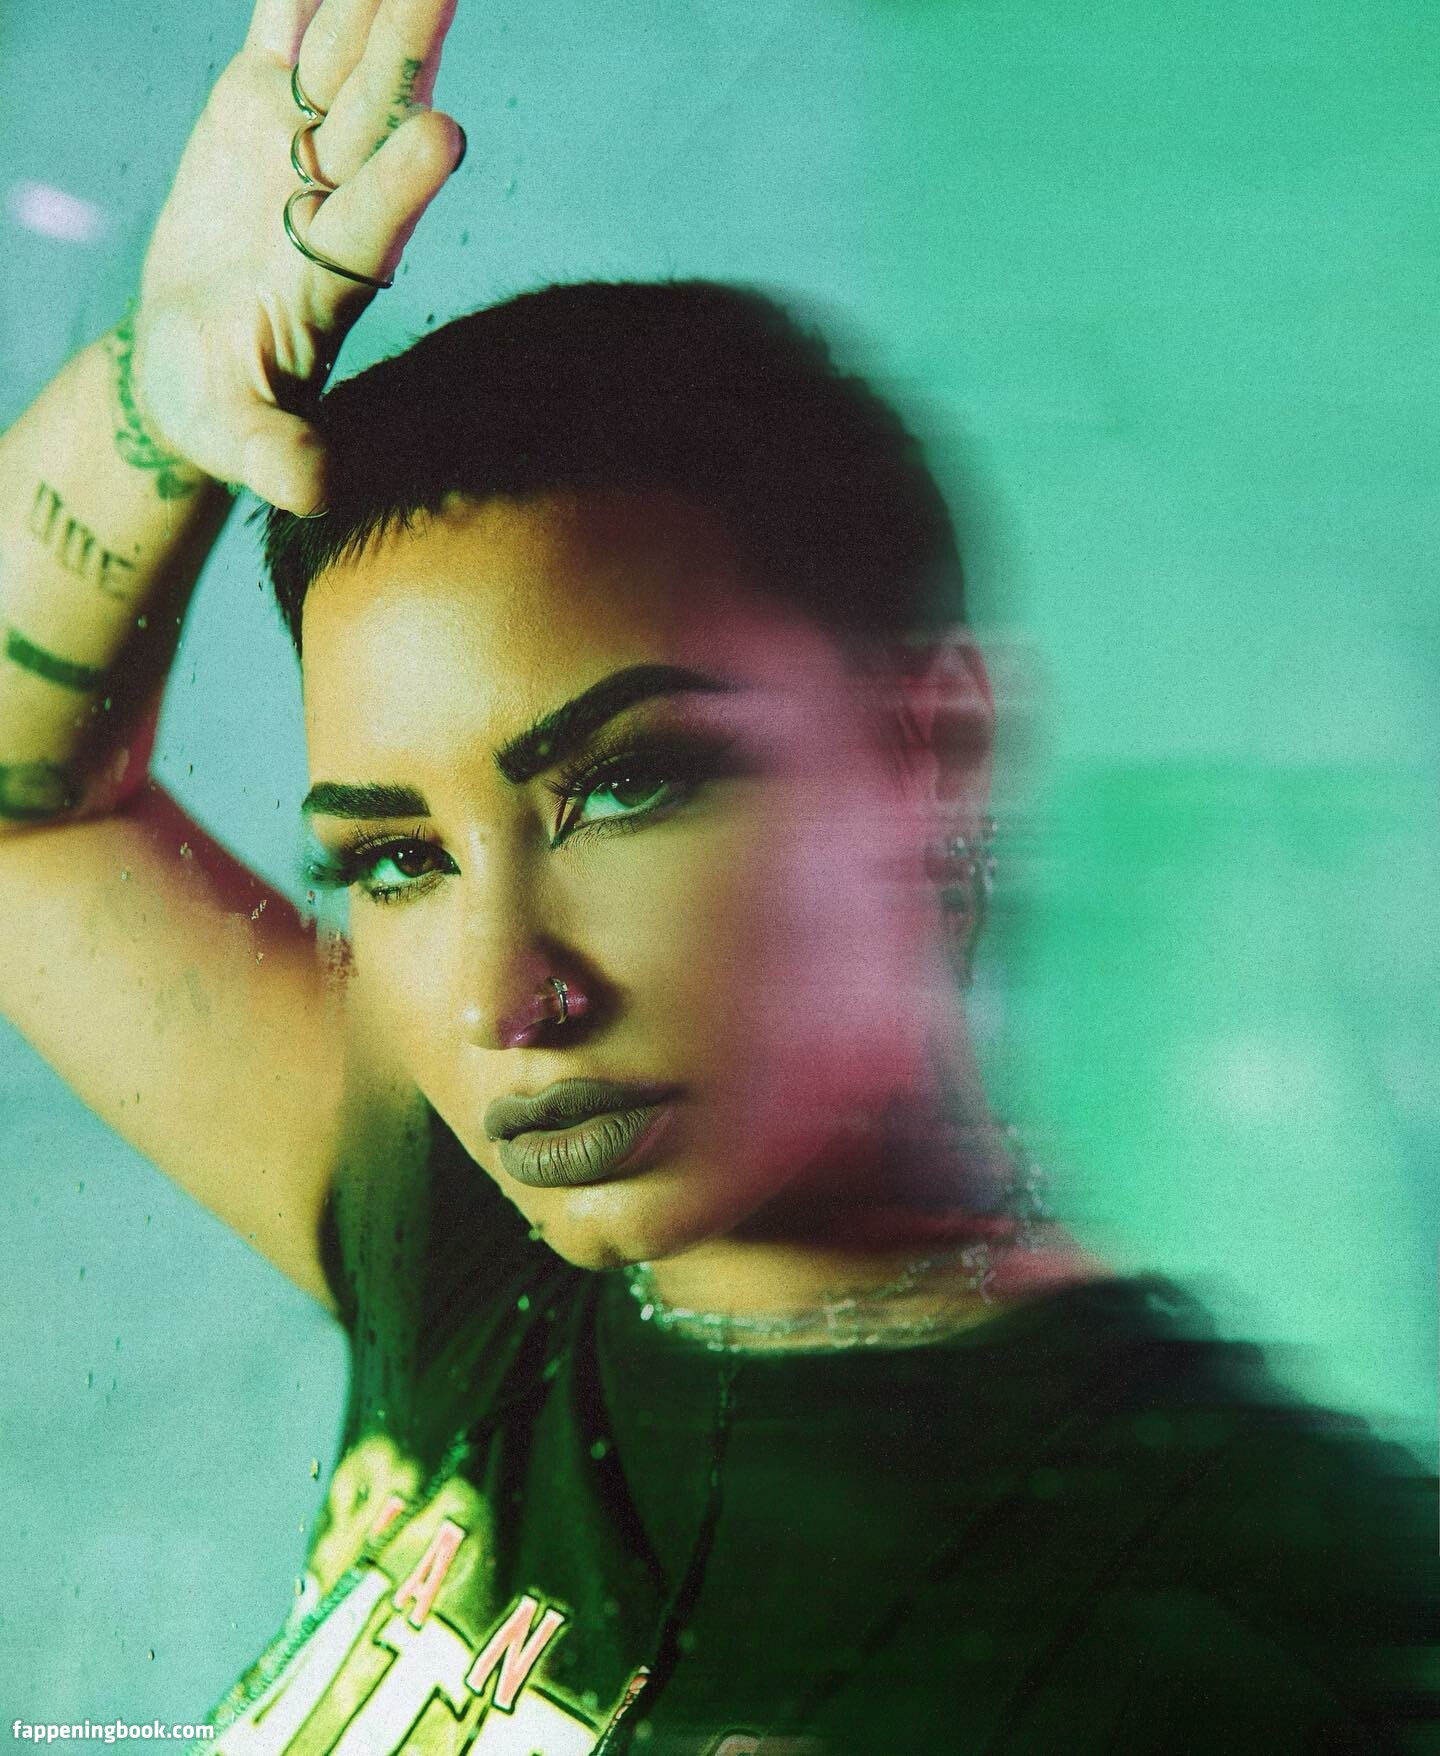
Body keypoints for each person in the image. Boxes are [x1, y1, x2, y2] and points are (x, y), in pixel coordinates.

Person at [0, 2, 1434, 1751]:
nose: (503, 998)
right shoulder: (474, 1248)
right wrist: (156, 401)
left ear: (934, 747)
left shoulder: (1256, 1613)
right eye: (394, 860)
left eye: (625, 787)